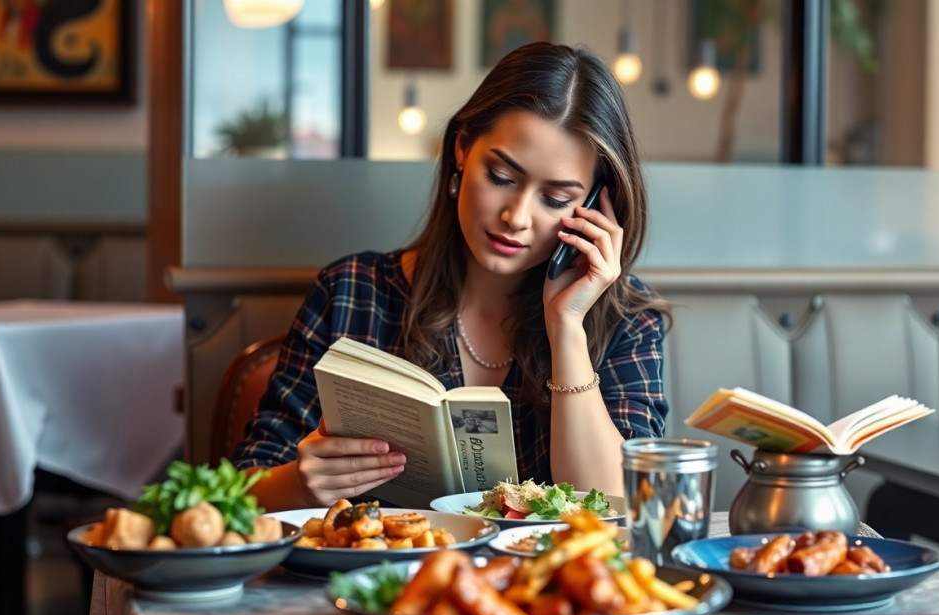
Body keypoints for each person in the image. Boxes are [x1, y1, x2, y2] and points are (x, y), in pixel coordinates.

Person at [234, 41, 670, 510]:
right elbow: (244, 489)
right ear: (463, 148)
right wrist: (300, 481)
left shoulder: (626, 320)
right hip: (384, 579)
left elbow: (618, 509)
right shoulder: (352, 292)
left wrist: (567, 329)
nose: (516, 217)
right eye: (502, 176)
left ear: (593, 206)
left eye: (557, 199)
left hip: (544, 584)